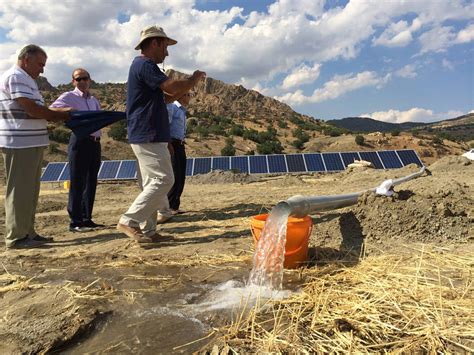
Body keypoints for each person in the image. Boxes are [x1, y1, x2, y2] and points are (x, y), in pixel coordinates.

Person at [116, 25, 206, 243]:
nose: (167, 52)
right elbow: (171, 88)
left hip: (149, 134)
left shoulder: (143, 67)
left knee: (151, 184)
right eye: (165, 46)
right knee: (165, 179)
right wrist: (192, 79)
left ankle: (149, 232)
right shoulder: (145, 64)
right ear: (155, 43)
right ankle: (129, 220)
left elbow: (163, 98)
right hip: (148, 133)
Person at [0, 44, 71, 249]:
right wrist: (60, 114)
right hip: (20, 143)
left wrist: (49, 119)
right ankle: (16, 237)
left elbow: (32, 111)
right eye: (40, 64)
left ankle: (27, 232)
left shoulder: (26, 79)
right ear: (26, 59)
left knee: (30, 191)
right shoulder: (16, 77)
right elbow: (31, 109)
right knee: (20, 190)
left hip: (29, 141)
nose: (42, 69)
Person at [50, 68, 104, 232]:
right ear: (73, 82)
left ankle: (87, 218)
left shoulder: (94, 100)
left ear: (90, 80)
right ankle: (75, 221)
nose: (82, 81)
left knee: (91, 181)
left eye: (84, 78)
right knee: (78, 181)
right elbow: (52, 109)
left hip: (95, 142)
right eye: (78, 79)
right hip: (80, 141)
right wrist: (68, 112)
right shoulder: (69, 97)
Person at [166, 93, 191, 215]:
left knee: (181, 175)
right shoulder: (173, 108)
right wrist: (168, 143)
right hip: (173, 143)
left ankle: (175, 206)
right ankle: (169, 206)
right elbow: (167, 125)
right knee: (175, 175)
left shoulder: (182, 111)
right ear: (180, 95)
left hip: (180, 144)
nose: (189, 97)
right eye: (187, 94)